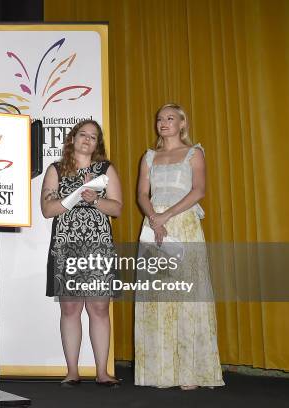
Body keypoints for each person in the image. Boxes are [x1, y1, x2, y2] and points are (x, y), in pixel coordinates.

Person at [134, 103, 224, 389]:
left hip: (183, 224)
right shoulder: (149, 157)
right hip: (154, 228)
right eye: (160, 118)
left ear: (182, 123)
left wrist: (166, 216)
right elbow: (141, 194)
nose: (163, 123)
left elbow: (199, 190)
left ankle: (191, 373)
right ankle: (162, 372)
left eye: (170, 118)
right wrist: (154, 219)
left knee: (188, 296)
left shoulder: (194, 153)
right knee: (158, 296)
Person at [41, 119, 123, 387]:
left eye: (93, 137)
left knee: (99, 307)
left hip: (99, 244)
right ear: (73, 138)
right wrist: (76, 194)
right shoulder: (56, 169)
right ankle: (72, 371)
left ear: (97, 143)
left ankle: (102, 372)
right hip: (67, 245)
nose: (88, 140)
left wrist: (95, 199)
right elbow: (47, 210)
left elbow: (117, 209)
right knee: (70, 307)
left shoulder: (106, 169)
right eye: (83, 135)